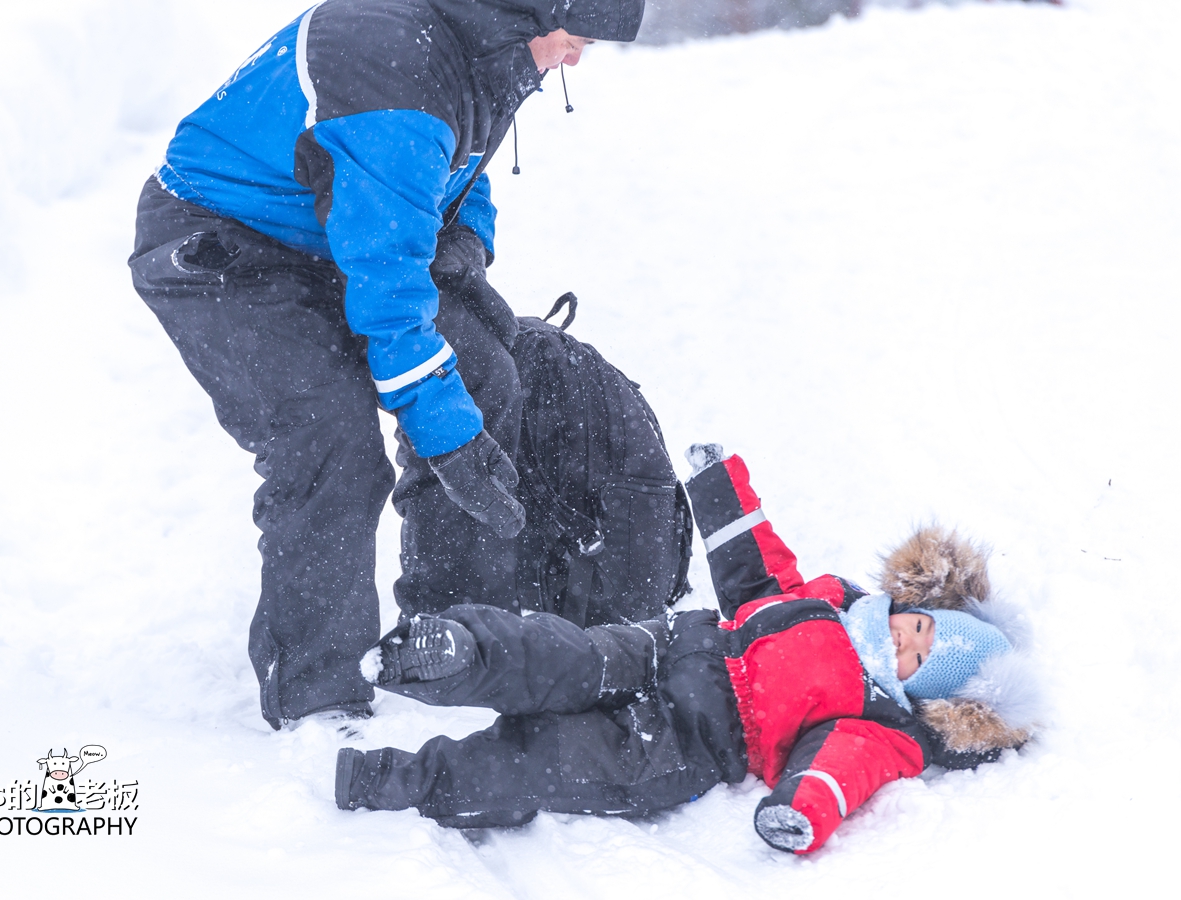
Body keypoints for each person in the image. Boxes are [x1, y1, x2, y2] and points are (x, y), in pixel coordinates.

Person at [126, 0, 646, 729]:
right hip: (222, 247)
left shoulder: (476, 42)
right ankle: (316, 695)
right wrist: (448, 438)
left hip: (331, 230)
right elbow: (389, 297)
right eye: (575, 40)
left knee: (481, 377)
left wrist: (465, 247)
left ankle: (450, 639)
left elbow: (456, 169)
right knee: (328, 438)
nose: (575, 59)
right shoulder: (392, 68)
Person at [333, 447, 1041, 853]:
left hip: (686, 740)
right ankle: (453, 651)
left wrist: (802, 809)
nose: (902, 641)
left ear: (924, 691)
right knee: (560, 653)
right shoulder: (832, 598)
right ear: (916, 609)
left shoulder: (880, 721)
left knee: (550, 763)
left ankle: (396, 779)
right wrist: (719, 490)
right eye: (918, 626)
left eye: (919, 657)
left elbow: (840, 769)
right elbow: (757, 575)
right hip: (666, 645)